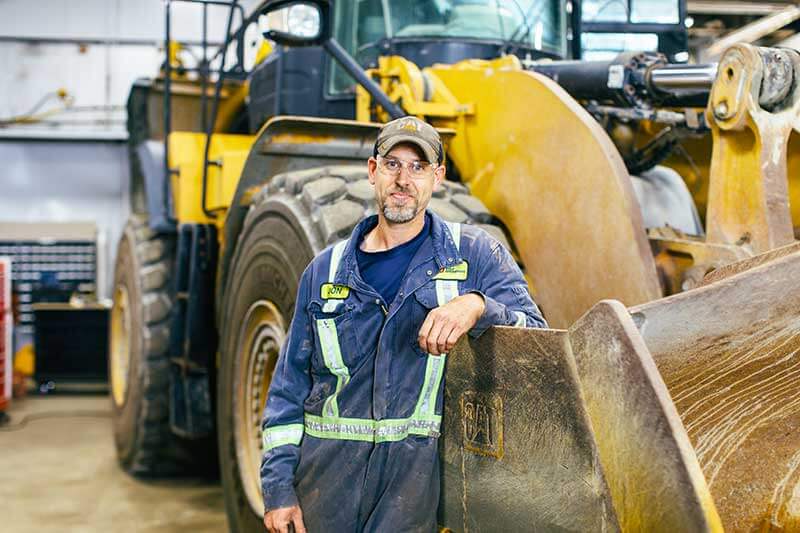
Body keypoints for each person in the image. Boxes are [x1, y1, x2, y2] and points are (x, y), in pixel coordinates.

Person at [261, 116, 547, 532]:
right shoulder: (325, 271)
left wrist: (477, 305)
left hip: (410, 494)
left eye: (418, 167)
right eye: (392, 164)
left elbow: (537, 336)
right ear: (373, 171)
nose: (403, 179)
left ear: (437, 178)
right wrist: (278, 490)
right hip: (325, 491)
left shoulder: (475, 255)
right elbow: (288, 389)